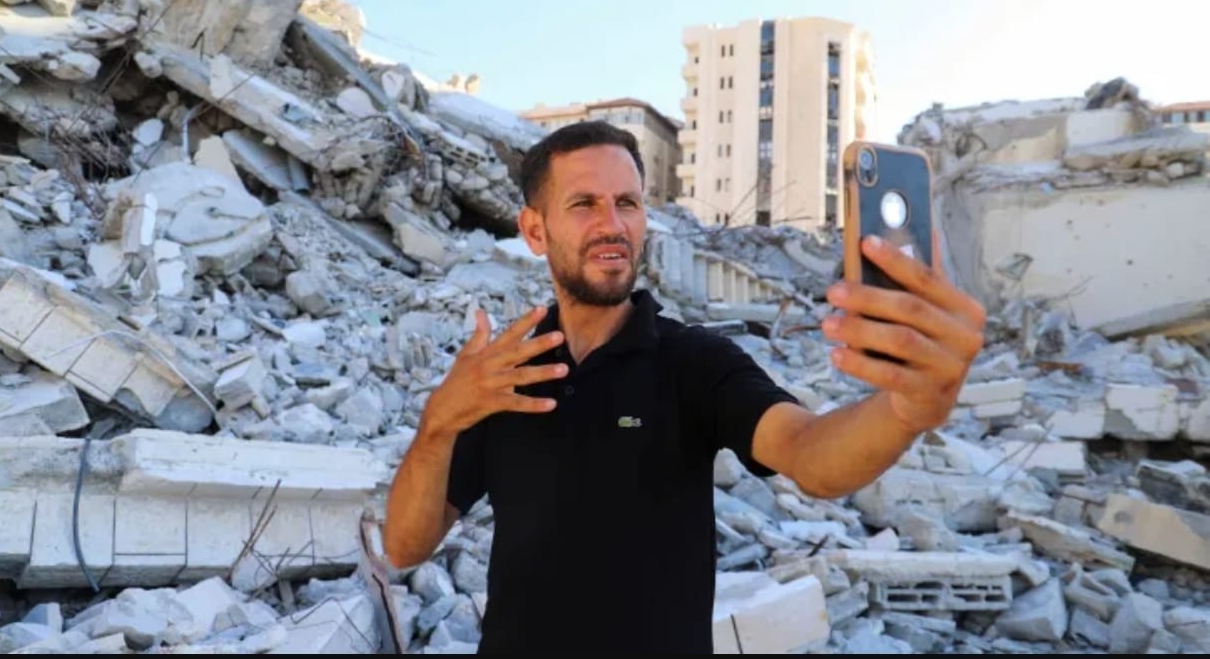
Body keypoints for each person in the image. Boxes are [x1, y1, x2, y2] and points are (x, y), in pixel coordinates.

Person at [382, 120, 986, 653]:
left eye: (627, 203)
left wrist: (905, 409)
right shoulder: (503, 375)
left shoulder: (693, 363)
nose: (612, 225)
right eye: (585, 204)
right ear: (535, 231)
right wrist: (439, 422)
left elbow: (810, 455)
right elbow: (406, 547)